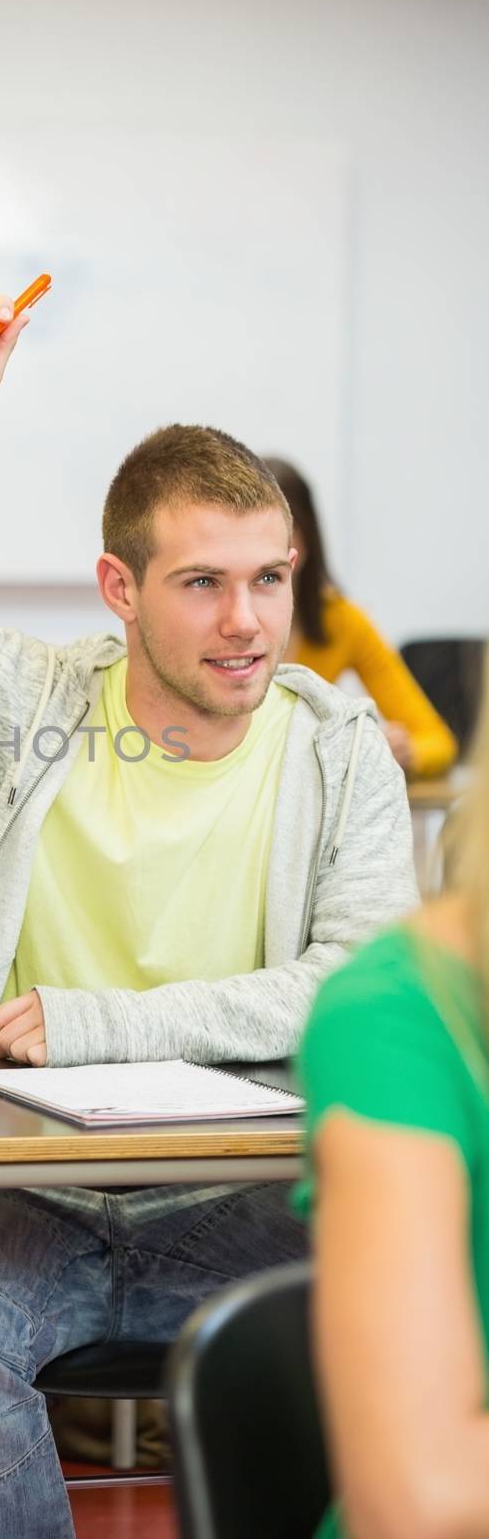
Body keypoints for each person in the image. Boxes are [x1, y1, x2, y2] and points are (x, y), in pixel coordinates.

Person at [0, 288, 419, 1537]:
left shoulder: (337, 749)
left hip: (243, 1200)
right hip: (0, 1204)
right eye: (204, 583)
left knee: (409, 1304)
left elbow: (354, 982)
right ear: (117, 584)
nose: (246, 623)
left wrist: (97, 1023)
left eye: (269, 579)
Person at [298, 655, 489, 1539]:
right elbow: (416, 1498)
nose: (239, 619)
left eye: (268, 577)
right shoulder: (401, 1013)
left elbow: (429, 733)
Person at [267, 457, 457, 778]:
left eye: (285, 531)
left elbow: (436, 742)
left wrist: (396, 750)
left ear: (306, 537)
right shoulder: (214, 621)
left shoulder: (341, 620)